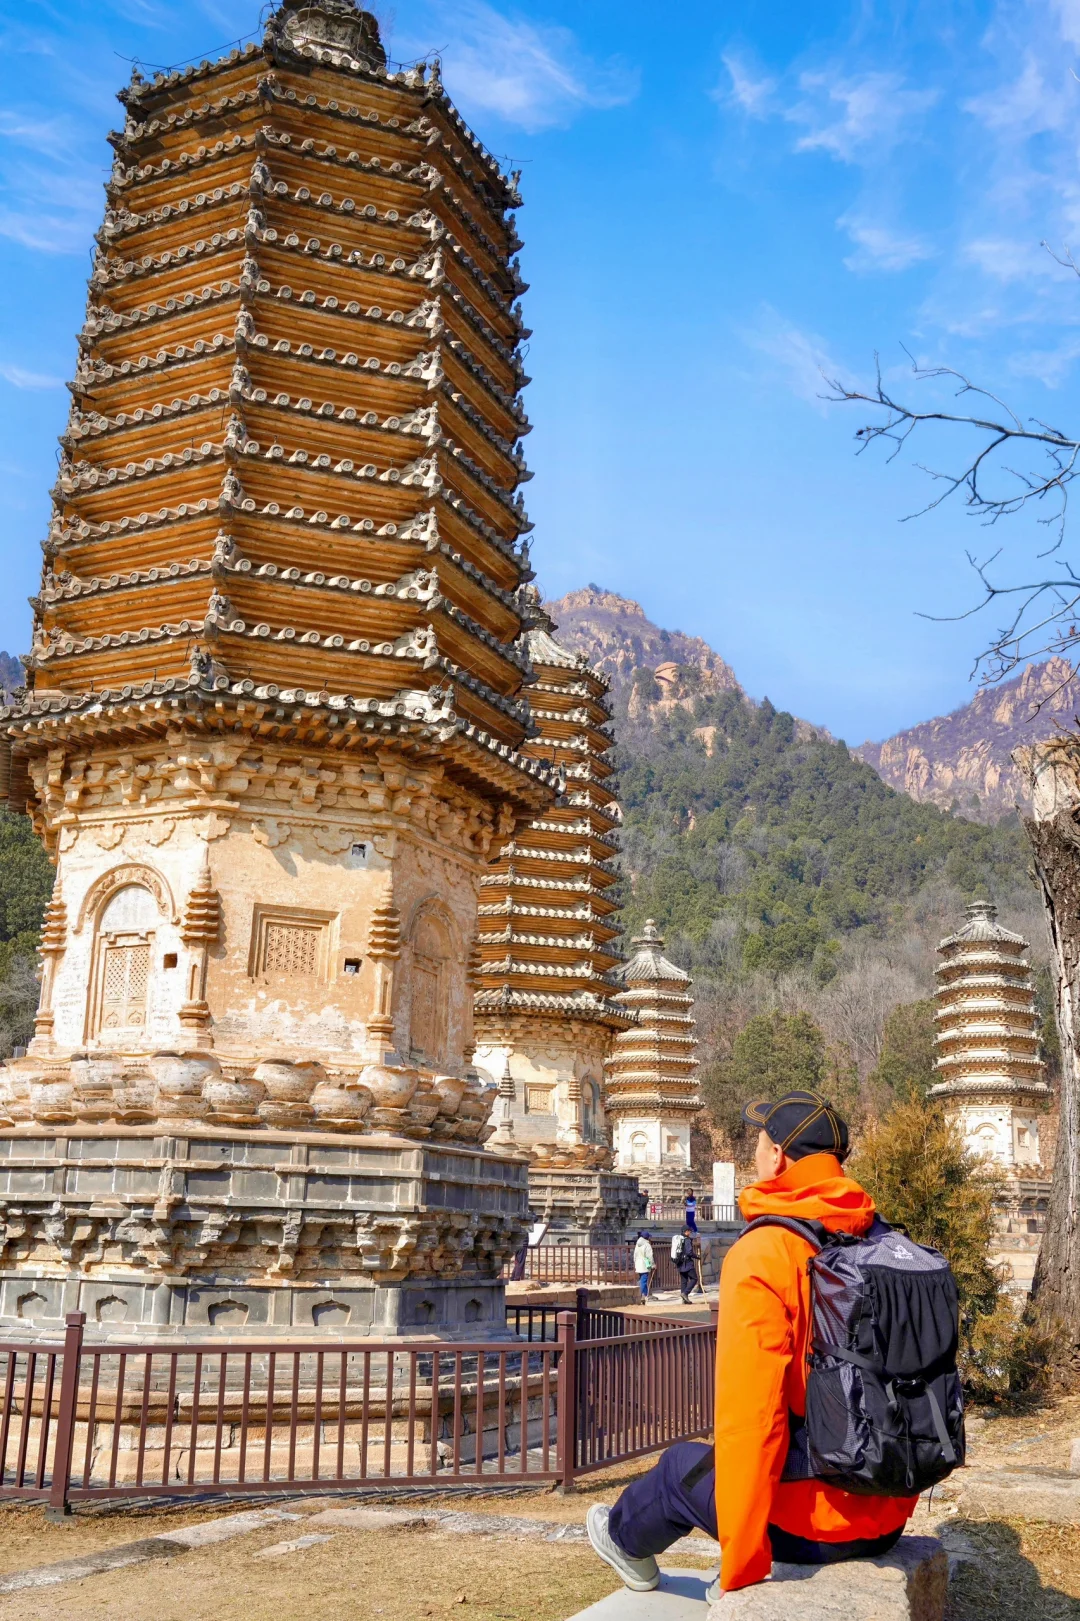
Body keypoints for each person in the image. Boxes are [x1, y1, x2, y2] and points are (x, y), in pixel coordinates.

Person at [586, 1090, 921, 1599]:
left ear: (778, 1156)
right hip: (888, 1513)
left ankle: (621, 1540)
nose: (755, 1153)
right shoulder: (882, 1239)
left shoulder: (766, 1251)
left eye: (760, 1142)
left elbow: (753, 1420)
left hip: (809, 1529)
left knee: (682, 1467)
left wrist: (742, 1564)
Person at [672, 1226, 698, 1303]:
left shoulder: (679, 1239)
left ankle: (684, 1299)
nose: (690, 1233)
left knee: (684, 1281)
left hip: (679, 1262)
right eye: (689, 1231)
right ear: (686, 1231)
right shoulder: (687, 1240)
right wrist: (697, 1256)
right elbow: (689, 1252)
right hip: (687, 1263)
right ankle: (685, 1293)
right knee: (694, 1279)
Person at [632, 1230, 654, 1300]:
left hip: (638, 1264)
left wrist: (635, 1263)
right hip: (644, 1264)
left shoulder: (637, 1244)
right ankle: (641, 1295)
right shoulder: (647, 1245)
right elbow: (650, 1256)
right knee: (644, 1280)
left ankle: (645, 1294)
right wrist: (653, 1265)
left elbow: (635, 1255)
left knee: (642, 1279)